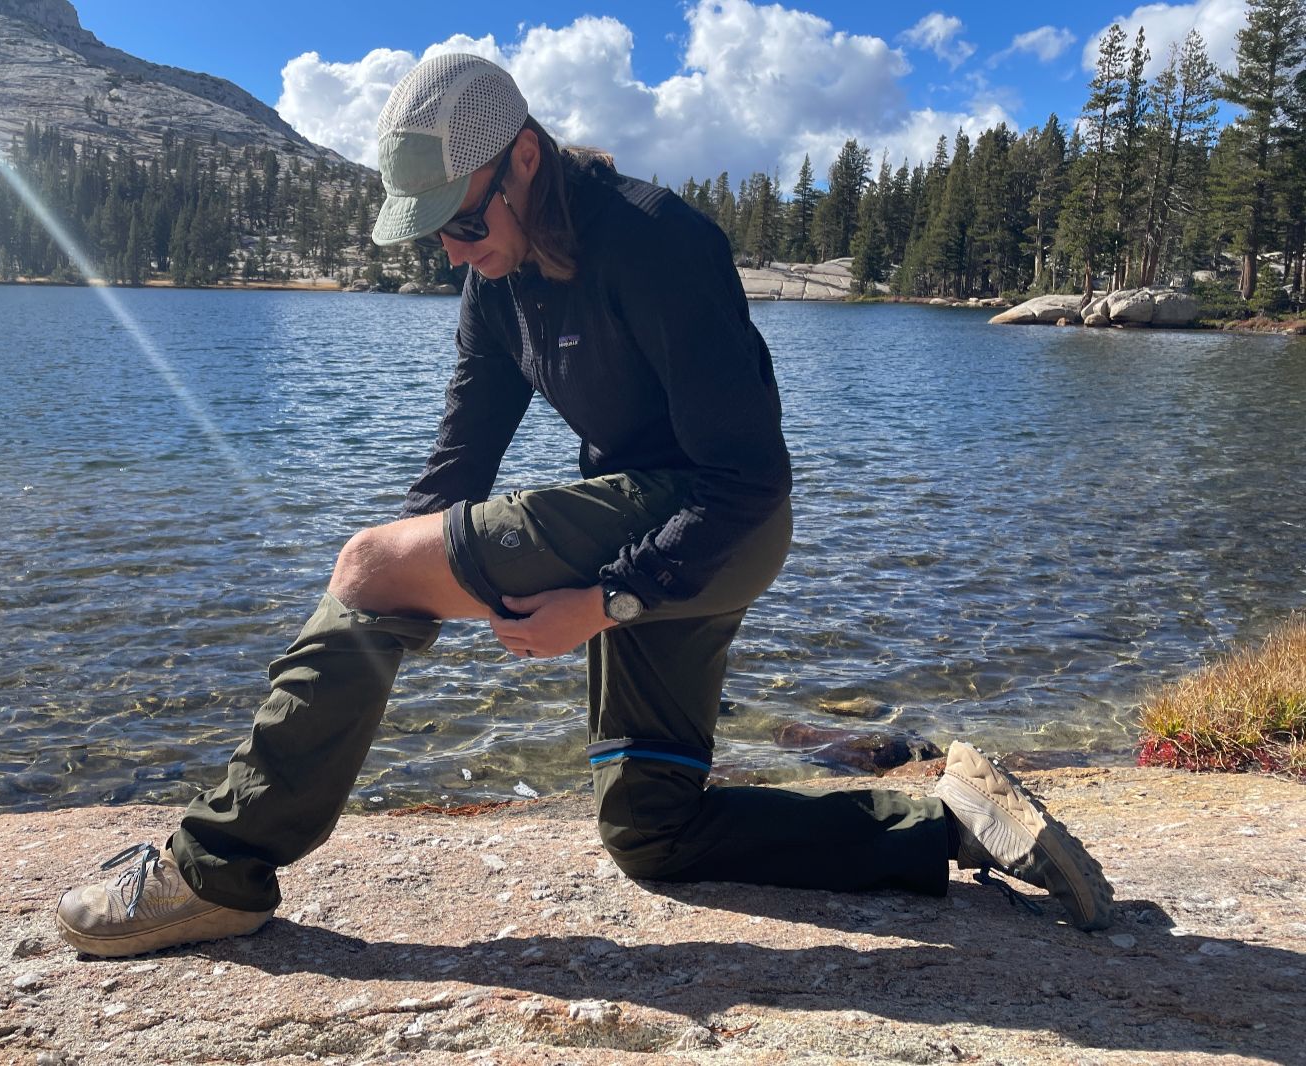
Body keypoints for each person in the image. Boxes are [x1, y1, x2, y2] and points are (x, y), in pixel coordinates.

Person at [56, 54, 1113, 958]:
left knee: (368, 564)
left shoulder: (659, 244)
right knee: (651, 833)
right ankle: (943, 826)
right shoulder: (496, 276)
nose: (452, 250)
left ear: (524, 157)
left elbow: (748, 478)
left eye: (461, 220)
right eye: (433, 235)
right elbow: (462, 452)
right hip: (653, 533)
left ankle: (218, 867)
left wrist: (600, 600)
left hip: (713, 524)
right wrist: (409, 578)